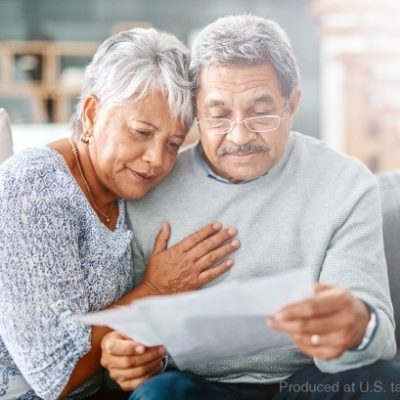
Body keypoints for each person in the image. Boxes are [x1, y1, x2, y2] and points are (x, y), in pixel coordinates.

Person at [101, 15, 399, 400]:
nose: (240, 136)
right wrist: (132, 358)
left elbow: (376, 336)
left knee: (388, 380)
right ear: (195, 113)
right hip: (200, 388)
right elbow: (133, 345)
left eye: (261, 112)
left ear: (292, 105)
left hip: (314, 381)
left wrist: (359, 325)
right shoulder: (150, 188)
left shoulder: (345, 183)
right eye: (219, 114)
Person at [0, 28, 240, 400]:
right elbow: (54, 375)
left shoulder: (126, 188)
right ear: (92, 113)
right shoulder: (32, 189)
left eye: (173, 143)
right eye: (141, 132)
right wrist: (155, 290)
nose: (156, 160)